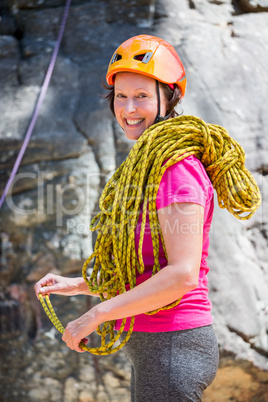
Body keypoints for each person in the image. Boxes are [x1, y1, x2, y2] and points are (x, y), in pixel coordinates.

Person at [35, 35, 220, 401]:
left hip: (172, 349)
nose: (128, 107)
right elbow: (147, 271)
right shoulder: (150, 166)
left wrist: (96, 315)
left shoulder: (176, 170)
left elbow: (182, 275)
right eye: (121, 95)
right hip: (160, 351)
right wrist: (77, 285)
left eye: (142, 96)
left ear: (168, 99)